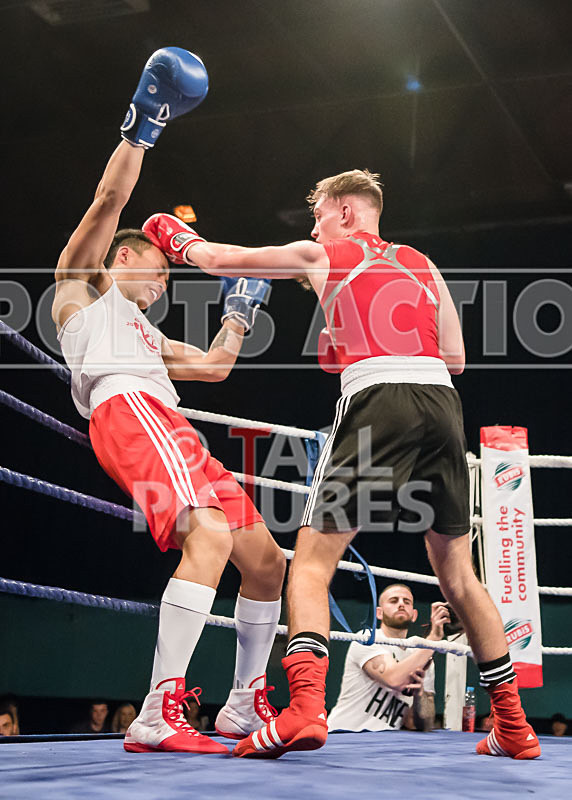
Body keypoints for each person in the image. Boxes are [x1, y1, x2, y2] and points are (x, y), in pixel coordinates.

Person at [145, 168, 540, 761]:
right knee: (459, 574)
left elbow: (219, 258)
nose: (314, 228)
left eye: (319, 215)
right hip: (442, 405)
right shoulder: (422, 264)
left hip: (377, 399)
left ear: (346, 212)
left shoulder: (322, 254)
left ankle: (305, 708)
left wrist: (173, 235)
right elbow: (455, 357)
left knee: (310, 563)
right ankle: (512, 726)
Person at [51, 47, 286, 755]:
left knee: (266, 561)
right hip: (128, 414)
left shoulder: (148, 336)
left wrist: (239, 311)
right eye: (158, 271)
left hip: (172, 427)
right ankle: (157, 710)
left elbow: (214, 367)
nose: (163, 283)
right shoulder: (82, 292)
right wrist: (143, 127)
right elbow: (109, 202)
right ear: (122, 259)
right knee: (208, 537)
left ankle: (241, 706)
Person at [327, 584, 443, 733]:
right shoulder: (367, 638)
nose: (401, 604)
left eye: (406, 602)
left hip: (386, 740)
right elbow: (393, 679)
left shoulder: (422, 655)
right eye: (394, 601)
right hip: (345, 733)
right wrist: (433, 639)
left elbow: (421, 724)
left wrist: (419, 694)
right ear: (379, 613)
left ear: (414, 615)